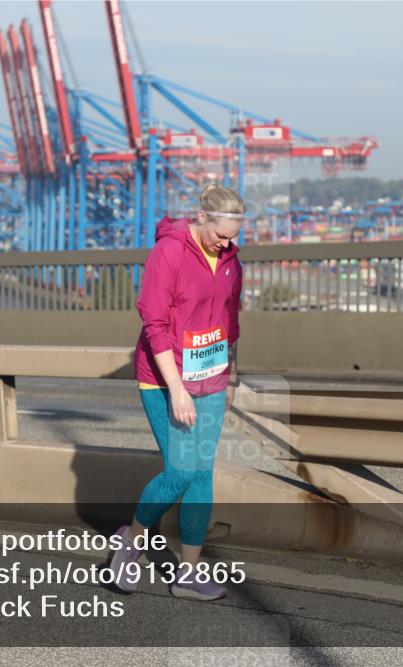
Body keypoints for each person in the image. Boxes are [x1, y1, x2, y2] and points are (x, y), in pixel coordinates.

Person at [108, 183, 244, 601]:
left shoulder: (230, 260)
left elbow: (230, 320)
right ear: (201, 217)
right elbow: (155, 325)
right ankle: (131, 541)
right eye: (221, 234)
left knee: (202, 474)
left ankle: (188, 573)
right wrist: (178, 389)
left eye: (233, 237)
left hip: (211, 377)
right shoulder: (168, 252)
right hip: (164, 377)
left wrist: (231, 374)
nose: (227, 244)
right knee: (181, 471)